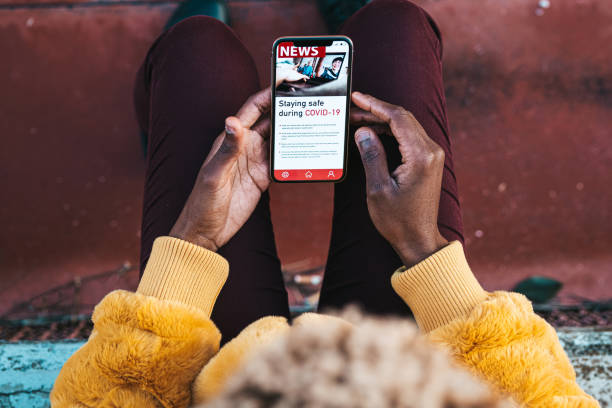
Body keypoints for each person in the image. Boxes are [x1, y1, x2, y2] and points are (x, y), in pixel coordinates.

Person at [51, 0, 599, 406]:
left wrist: (192, 237)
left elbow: (104, 395)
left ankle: (166, 116)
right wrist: (422, 248)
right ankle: (358, 15)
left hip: (219, 384)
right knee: (393, 30)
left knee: (199, 53)